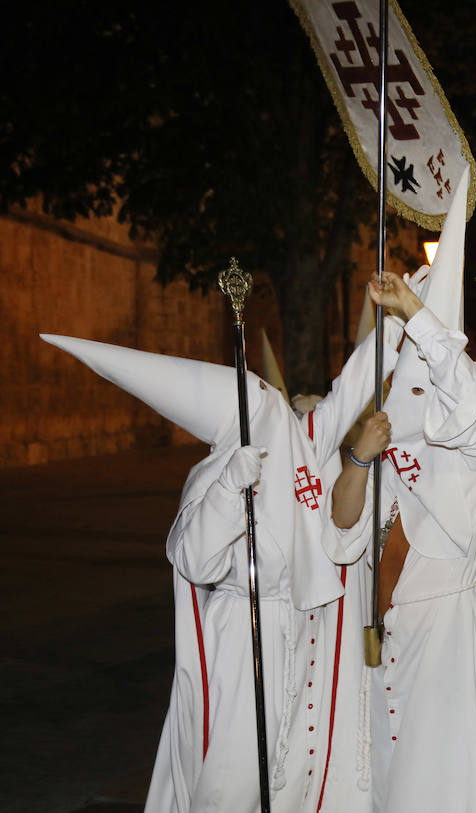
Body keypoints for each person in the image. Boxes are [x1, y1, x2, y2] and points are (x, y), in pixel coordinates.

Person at [42, 312, 403, 813]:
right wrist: (229, 491)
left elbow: (350, 389)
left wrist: (402, 320)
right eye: (256, 392)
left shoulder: (300, 444)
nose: (267, 396)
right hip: (242, 633)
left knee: (291, 763)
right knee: (233, 770)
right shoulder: (215, 474)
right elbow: (195, 560)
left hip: (299, 630)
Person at [325, 168, 476, 813]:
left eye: (421, 372)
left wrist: (418, 318)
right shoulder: (386, 457)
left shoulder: (473, 455)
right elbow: (341, 535)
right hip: (383, 654)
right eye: (403, 369)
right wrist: (355, 458)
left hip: (446, 657)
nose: (410, 385)